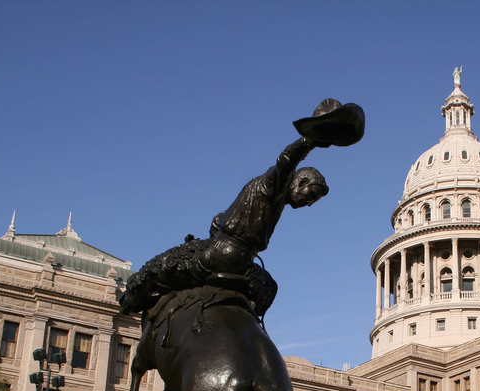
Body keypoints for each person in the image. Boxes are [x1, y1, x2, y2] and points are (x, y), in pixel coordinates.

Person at [119, 98, 362, 318]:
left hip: (229, 255)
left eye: (314, 201)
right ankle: (128, 300)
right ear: (301, 181)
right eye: (311, 195)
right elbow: (286, 162)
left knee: (162, 268)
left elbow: (217, 220)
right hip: (228, 256)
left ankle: (134, 297)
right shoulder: (273, 186)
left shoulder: (273, 198)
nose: (309, 203)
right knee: (160, 268)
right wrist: (308, 141)